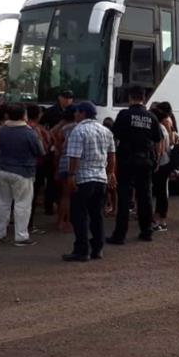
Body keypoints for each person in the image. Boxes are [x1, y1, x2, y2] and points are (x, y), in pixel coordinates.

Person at [107, 86, 163, 244]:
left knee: (124, 197)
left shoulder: (124, 114)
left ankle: (120, 236)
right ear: (144, 99)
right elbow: (158, 141)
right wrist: (156, 159)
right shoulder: (151, 117)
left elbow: (115, 137)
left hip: (126, 160)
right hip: (145, 161)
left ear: (130, 98)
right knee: (145, 197)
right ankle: (146, 232)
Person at [63, 101, 116, 262]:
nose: (74, 115)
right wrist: (110, 173)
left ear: (82, 113)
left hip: (83, 178)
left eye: (76, 112)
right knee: (97, 215)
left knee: (79, 215)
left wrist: (71, 175)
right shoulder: (105, 131)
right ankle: (97, 248)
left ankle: (82, 250)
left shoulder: (78, 131)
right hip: (100, 178)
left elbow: (74, 156)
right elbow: (112, 155)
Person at [0, 103, 44, 246]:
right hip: (23, 172)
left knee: (3, 204)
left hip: (3, 169)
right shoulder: (29, 133)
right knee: (22, 205)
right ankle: (21, 237)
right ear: (24, 116)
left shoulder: (2, 130)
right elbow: (40, 151)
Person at [26, 104, 52, 235]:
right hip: (36, 165)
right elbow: (42, 149)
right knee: (31, 195)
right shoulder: (35, 129)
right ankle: (28, 224)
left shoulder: (23, 127)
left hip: (24, 165)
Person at [151, 110, 178, 233]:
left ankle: (159, 220)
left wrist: (156, 163)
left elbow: (160, 149)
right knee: (162, 192)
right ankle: (161, 219)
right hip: (165, 163)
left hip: (161, 164)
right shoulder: (164, 128)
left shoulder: (159, 129)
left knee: (161, 193)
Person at [54, 105, 77, 232]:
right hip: (74, 163)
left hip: (63, 162)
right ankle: (68, 222)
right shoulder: (79, 127)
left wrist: (56, 167)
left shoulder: (62, 128)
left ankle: (60, 221)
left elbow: (58, 148)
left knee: (64, 195)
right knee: (72, 195)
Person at [102, 117, 118, 216]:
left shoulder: (104, 136)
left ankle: (105, 208)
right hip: (114, 163)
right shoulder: (115, 137)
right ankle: (113, 209)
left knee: (107, 188)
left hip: (106, 163)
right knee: (112, 188)